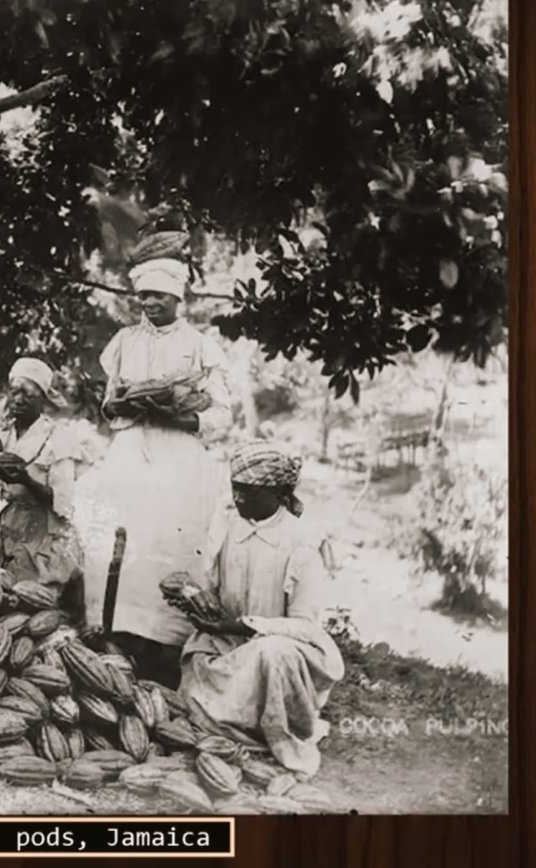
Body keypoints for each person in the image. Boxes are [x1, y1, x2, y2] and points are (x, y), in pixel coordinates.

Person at [73, 249, 233, 686]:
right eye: (143, 296)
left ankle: (170, 646)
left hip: (179, 457)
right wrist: (123, 404)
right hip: (130, 451)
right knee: (122, 548)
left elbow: (221, 415)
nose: (149, 304)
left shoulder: (200, 346)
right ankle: (119, 638)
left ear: (177, 298)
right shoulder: (125, 341)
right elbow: (107, 404)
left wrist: (178, 416)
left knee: (173, 546)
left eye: (159, 296)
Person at [166, 441, 345, 779]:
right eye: (236, 489)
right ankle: (225, 726)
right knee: (197, 653)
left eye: (251, 492)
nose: (240, 499)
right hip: (229, 644)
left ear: (278, 493)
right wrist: (192, 600)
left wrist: (241, 626)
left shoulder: (302, 542)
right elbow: (214, 591)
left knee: (271, 652)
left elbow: (305, 626)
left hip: (283, 650)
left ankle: (274, 732)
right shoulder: (230, 527)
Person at [0, 358, 86, 613]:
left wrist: (26, 480)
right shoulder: (4, 435)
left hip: (45, 535)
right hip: (11, 533)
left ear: (43, 398)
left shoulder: (58, 438)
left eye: (27, 394)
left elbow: (63, 502)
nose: (18, 399)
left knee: (34, 609)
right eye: (14, 391)